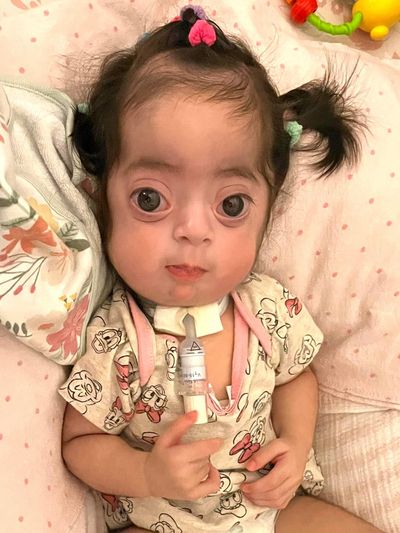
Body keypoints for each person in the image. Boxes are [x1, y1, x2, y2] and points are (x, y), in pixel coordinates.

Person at [60, 6, 381, 533]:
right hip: (162, 518)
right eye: (150, 198)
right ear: (102, 198)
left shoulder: (266, 307)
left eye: (230, 206)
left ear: (268, 210)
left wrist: (295, 447)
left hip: (269, 509)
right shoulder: (113, 336)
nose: (192, 230)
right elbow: (80, 444)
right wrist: (145, 470)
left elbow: (296, 376)